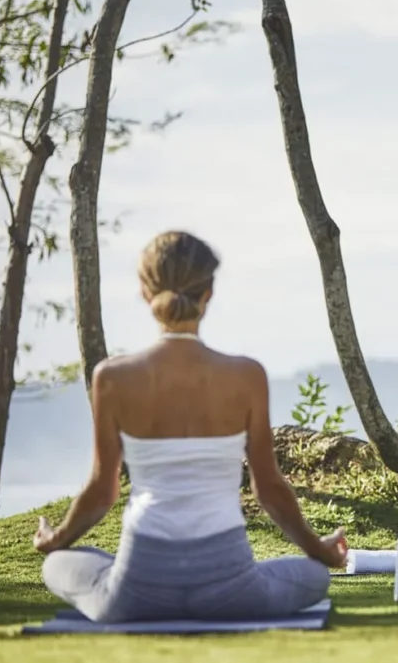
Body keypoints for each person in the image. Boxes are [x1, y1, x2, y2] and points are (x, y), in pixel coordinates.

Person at [34, 231, 346, 623]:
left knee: (59, 563)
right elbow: (268, 489)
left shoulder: (111, 377)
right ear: (208, 294)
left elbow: (102, 490)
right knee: (314, 576)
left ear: (146, 294)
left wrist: (55, 539)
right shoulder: (246, 376)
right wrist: (320, 550)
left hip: (135, 591)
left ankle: (108, 570)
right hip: (231, 590)